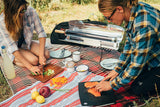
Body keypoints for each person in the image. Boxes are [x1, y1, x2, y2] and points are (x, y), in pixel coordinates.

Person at [95, 0, 160, 96]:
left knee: (137, 90)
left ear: (119, 9)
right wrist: (117, 69)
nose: (108, 21)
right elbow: (129, 44)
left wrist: (112, 84)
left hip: (157, 62)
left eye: (108, 17)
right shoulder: (133, 11)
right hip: (152, 54)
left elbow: (136, 65)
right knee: (127, 75)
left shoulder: (144, 27)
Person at [0, 0, 50, 75]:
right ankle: (4, 58)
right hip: (10, 48)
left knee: (46, 54)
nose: (24, 12)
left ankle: (26, 53)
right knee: (34, 61)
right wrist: (31, 67)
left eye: (25, 8)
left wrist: (41, 56)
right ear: (12, 12)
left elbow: (41, 33)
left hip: (25, 43)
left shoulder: (31, 11)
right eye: (21, 11)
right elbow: (12, 48)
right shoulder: (2, 21)